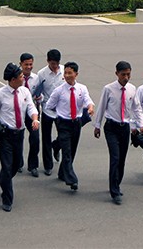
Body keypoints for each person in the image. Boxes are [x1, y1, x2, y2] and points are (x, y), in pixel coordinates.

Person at [0, 63, 39, 212]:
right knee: (7, 167)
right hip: (5, 135)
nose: (23, 78)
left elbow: (31, 107)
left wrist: (35, 118)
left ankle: (3, 180)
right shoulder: (0, 94)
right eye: (21, 76)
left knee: (16, 164)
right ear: (13, 79)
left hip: (19, 134)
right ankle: (7, 198)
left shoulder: (25, 91)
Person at [93, 61, 143, 205]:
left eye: (128, 74)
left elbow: (136, 108)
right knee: (115, 157)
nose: (126, 77)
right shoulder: (109, 89)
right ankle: (114, 191)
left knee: (122, 158)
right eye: (123, 74)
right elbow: (101, 107)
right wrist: (97, 125)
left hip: (125, 128)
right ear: (116, 74)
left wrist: (141, 124)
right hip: (111, 127)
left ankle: (116, 182)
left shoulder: (132, 89)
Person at [44, 61, 94, 192]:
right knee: (66, 152)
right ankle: (72, 180)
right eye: (65, 73)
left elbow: (88, 100)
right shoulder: (59, 91)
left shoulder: (82, 89)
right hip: (63, 123)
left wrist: (90, 107)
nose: (67, 75)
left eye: (70, 73)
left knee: (72, 150)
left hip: (76, 123)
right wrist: (59, 113)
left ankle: (62, 170)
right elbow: (49, 105)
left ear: (76, 74)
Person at [34, 48, 64, 175]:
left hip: (62, 110)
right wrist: (38, 97)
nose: (55, 66)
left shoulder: (64, 71)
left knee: (64, 136)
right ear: (47, 61)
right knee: (45, 137)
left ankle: (56, 146)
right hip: (47, 109)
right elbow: (36, 91)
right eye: (52, 64)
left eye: (56, 63)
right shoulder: (42, 74)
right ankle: (48, 165)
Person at [20, 53, 40, 177]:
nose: (28, 67)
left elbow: (40, 95)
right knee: (18, 139)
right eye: (26, 64)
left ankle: (33, 165)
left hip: (33, 112)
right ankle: (18, 163)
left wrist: (39, 97)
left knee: (35, 139)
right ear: (21, 64)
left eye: (30, 64)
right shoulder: (16, 77)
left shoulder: (36, 78)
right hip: (19, 112)